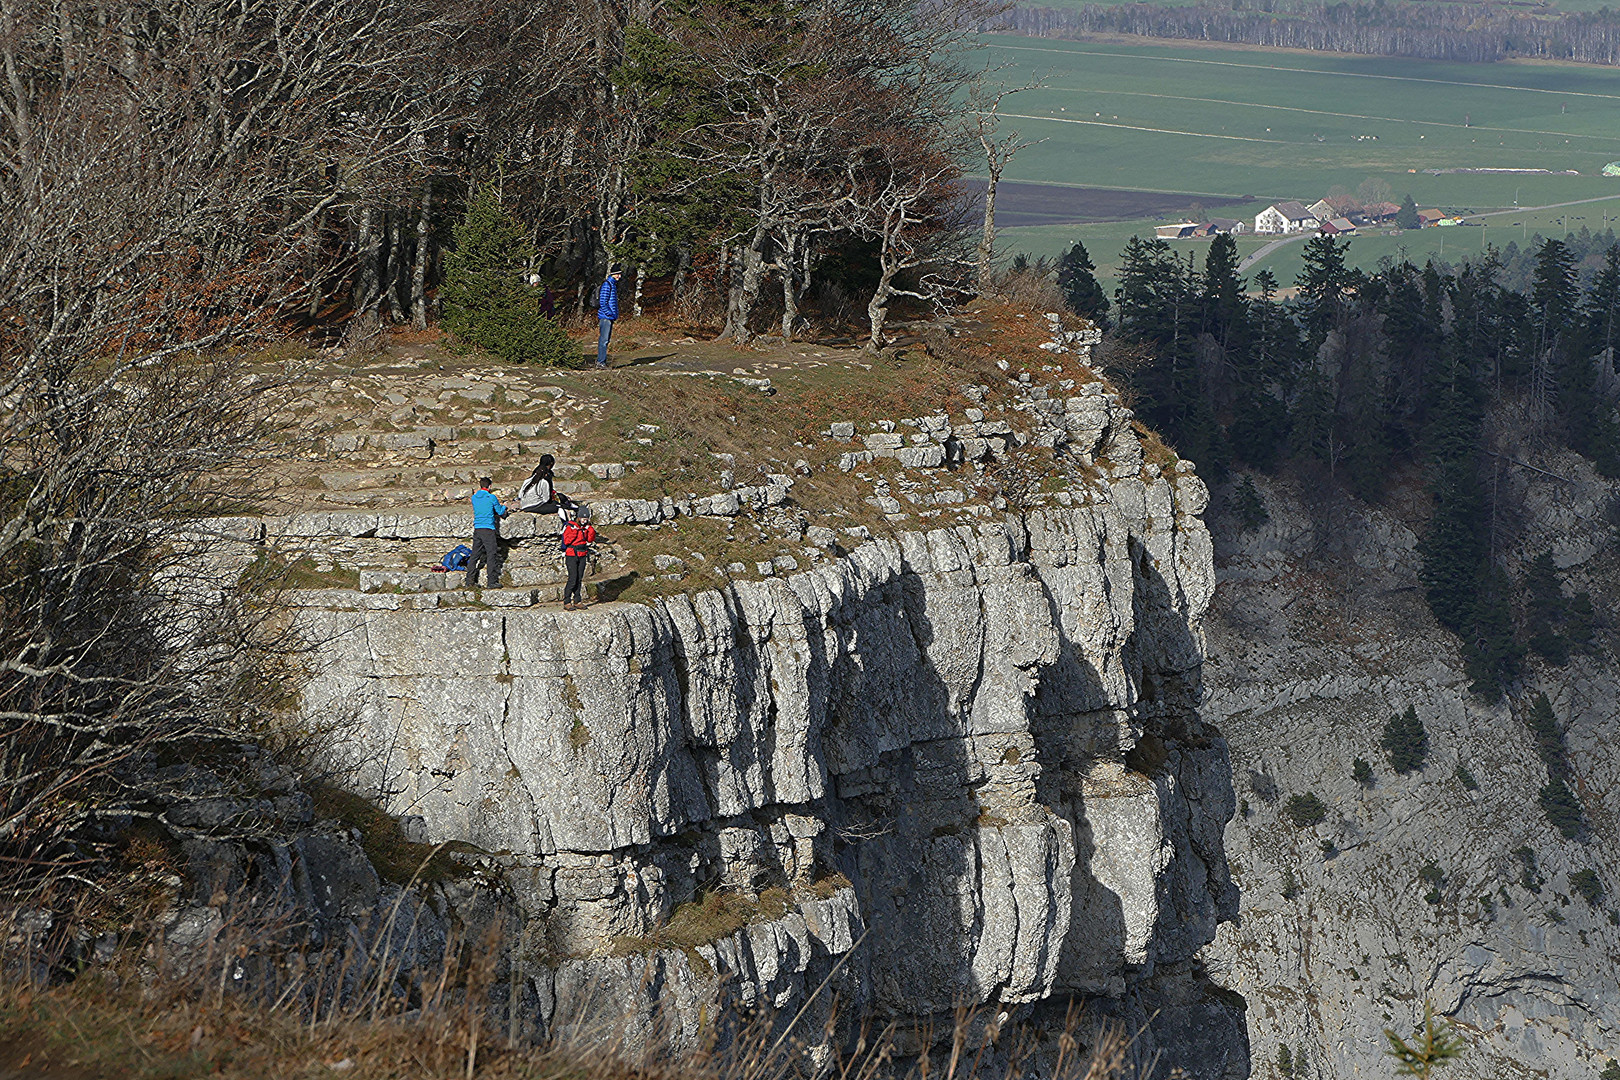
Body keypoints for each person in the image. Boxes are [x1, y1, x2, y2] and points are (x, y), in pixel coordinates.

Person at [465, 477, 508, 589]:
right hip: (488, 528)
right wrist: (505, 506)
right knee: (491, 554)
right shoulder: (491, 497)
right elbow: (499, 511)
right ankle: (492, 581)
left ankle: (469, 580)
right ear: (490, 487)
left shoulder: (474, 498)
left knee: (475, 554)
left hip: (478, 529)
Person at [561, 504, 596, 610]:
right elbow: (567, 541)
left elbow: (590, 539)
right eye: (582, 518)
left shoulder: (586, 528)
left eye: (586, 519)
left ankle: (577, 600)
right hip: (571, 555)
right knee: (573, 578)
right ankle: (567, 601)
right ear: (578, 517)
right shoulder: (570, 526)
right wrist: (575, 531)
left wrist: (590, 529)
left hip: (582, 554)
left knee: (579, 579)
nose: (584, 521)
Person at [595, 265, 622, 368]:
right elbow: (603, 302)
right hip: (606, 317)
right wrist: (610, 313)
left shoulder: (612, 284)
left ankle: (602, 361)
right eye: (618, 274)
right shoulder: (607, 285)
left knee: (606, 340)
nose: (619, 276)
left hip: (609, 317)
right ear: (613, 274)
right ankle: (600, 362)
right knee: (604, 340)